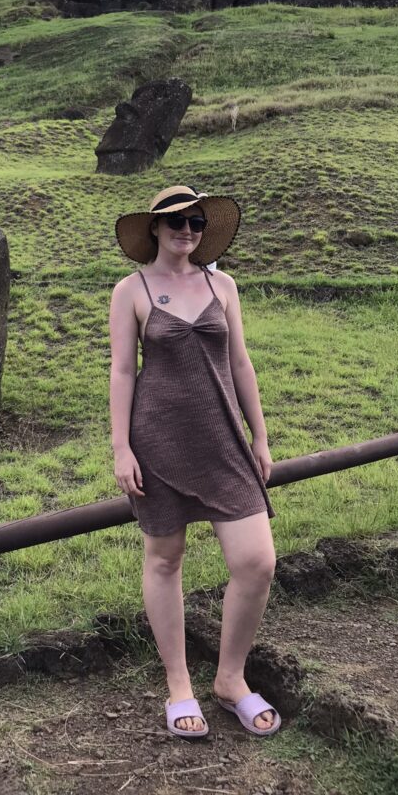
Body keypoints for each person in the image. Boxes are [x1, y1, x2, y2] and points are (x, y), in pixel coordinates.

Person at [108, 184, 280, 740]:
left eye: (197, 220)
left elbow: (241, 362)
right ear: (154, 228)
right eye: (176, 220)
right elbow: (122, 373)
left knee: (256, 562)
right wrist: (120, 447)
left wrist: (260, 436)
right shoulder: (130, 289)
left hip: (223, 441)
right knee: (165, 558)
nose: (187, 229)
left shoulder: (222, 285)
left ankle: (231, 679)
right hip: (157, 442)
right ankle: (179, 683)